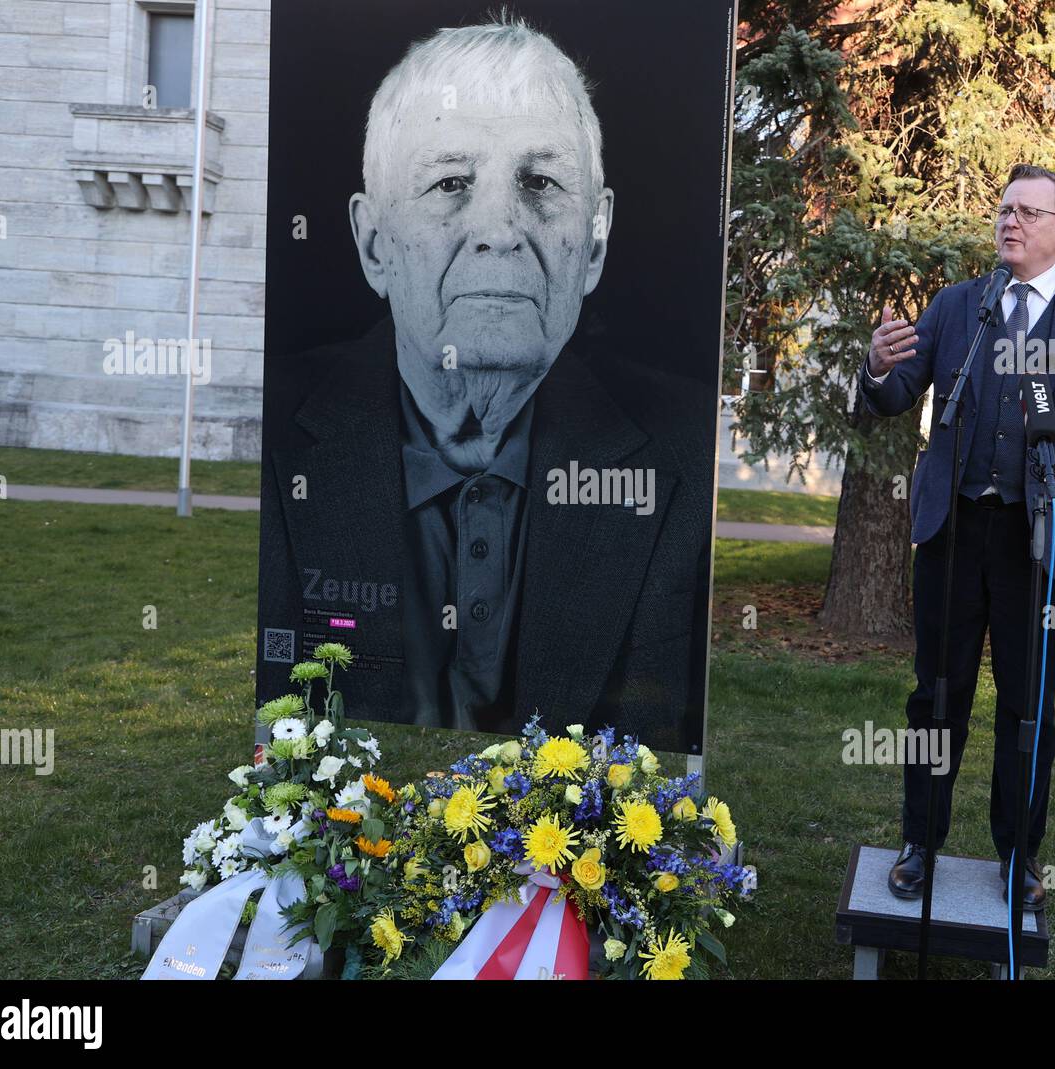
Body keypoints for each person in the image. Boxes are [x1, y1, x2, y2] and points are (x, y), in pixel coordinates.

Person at [256, 16, 714, 752]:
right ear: (374, 243)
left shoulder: (686, 451)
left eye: (539, 181)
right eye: (450, 182)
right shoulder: (277, 435)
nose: (499, 228)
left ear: (595, 240)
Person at [860, 164, 1055, 909]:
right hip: (955, 532)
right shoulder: (960, 304)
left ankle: (1019, 856)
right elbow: (899, 394)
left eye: (1029, 213)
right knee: (936, 696)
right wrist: (875, 368)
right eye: (1004, 210)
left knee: (1029, 708)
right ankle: (919, 842)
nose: (1011, 222)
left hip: (1041, 543)